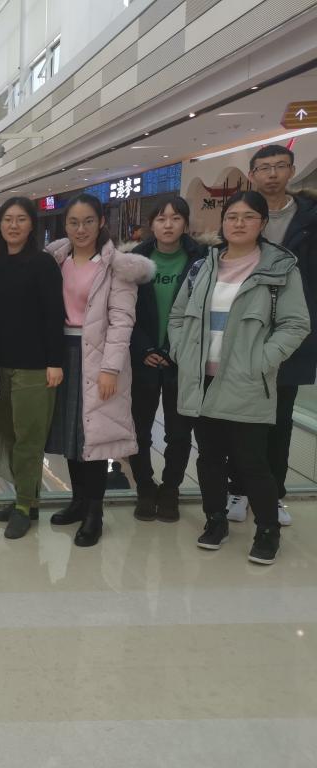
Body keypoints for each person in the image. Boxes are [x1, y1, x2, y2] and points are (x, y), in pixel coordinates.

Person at [169, 191, 308, 565]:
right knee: (209, 458)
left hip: (247, 380)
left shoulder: (280, 269)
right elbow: (178, 315)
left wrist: (262, 360)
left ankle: (267, 530)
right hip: (203, 380)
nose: (239, 223)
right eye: (232, 216)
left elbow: (296, 323)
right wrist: (182, 352)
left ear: (262, 223)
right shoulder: (203, 266)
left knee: (252, 461)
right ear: (223, 222)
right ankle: (215, 520)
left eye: (248, 217)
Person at [44, 194, 154, 547]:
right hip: (63, 354)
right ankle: (77, 501)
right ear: (65, 225)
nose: (81, 229)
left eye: (88, 221)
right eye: (74, 222)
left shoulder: (116, 266)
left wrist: (111, 369)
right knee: (72, 436)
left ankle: (95, 512)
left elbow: (122, 321)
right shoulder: (56, 259)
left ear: (101, 222)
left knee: (95, 436)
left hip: (99, 357)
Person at [226, 145, 317, 525]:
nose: (273, 174)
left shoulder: (310, 218)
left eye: (280, 166)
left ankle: (274, 495)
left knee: (279, 420)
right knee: (238, 418)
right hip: (244, 332)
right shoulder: (243, 214)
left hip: (292, 334)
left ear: (292, 170)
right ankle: (237, 489)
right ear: (252, 175)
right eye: (264, 168)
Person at [0, 198, 66, 539]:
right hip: (0, 364)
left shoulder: (43, 264)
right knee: (9, 434)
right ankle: (27, 499)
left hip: (34, 367)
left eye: (21, 219)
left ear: (32, 225)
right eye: (8, 219)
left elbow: (53, 314)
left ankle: (23, 506)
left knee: (29, 439)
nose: (13, 225)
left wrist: (54, 362)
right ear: (0, 225)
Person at [127, 195, 208, 523]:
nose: (168, 225)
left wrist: (176, 349)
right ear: (152, 225)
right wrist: (144, 349)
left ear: (186, 223)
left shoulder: (202, 259)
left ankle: (171, 488)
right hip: (144, 358)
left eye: (175, 219)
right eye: (161, 219)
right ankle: (145, 487)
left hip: (183, 358)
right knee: (139, 430)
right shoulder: (136, 260)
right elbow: (124, 311)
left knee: (178, 432)